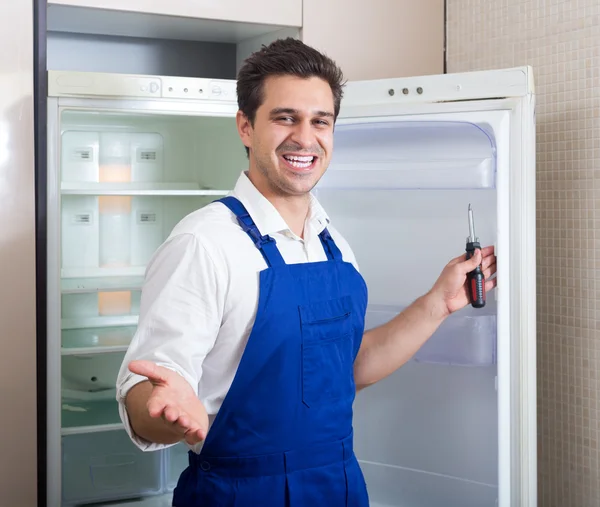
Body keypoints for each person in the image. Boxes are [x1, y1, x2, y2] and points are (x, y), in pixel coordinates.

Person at [116, 37, 497, 506]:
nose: (305, 137)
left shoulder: (331, 242)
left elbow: (348, 369)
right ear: (245, 127)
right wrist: (165, 411)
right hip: (240, 493)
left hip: (338, 487)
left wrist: (438, 303)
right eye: (285, 118)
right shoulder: (204, 244)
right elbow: (144, 397)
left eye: (321, 121)